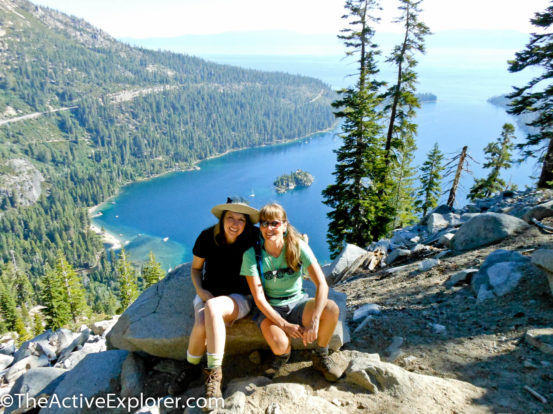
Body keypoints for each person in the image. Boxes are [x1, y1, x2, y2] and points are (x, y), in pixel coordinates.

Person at [168, 197, 259, 405]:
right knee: (202, 320)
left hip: (239, 297)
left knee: (212, 309)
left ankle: (214, 375)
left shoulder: (253, 236)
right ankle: (192, 367)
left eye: (241, 220)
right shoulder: (207, 237)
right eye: (231, 218)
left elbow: (279, 230)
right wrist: (201, 291)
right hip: (208, 294)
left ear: (246, 223)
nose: (235, 224)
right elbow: (195, 268)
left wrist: (300, 240)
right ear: (222, 219)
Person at [240, 202, 343, 381]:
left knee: (331, 309)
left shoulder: (298, 246)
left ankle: (320, 355)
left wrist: (315, 320)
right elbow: (259, 299)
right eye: (264, 223)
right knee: (280, 345)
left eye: (275, 223)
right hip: (270, 307)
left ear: (285, 225)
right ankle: (283, 357)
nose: (269, 228)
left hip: (297, 302)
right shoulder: (252, 254)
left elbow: (322, 284)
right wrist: (284, 325)